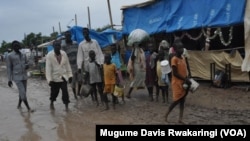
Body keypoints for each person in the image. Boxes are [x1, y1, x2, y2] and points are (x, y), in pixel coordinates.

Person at [165, 40, 192, 124]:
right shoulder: (174, 59)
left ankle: (180, 118)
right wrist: (185, 78)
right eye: (179, 48)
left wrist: (188, 76)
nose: (182, 49)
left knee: (183, 100)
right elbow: (175, 73)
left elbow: (186, 68)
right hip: (177, 83)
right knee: (176, 100)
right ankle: (166, 115)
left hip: (184, 82)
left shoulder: (183, 57)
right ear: (175, 49)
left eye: (182, 47)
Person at [6, 40, 34, 112]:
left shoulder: (23, 54)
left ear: (19, 46)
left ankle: (19, 105)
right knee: (23, 93)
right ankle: (28, 108)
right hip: (16, 77)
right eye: (15, 45)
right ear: (12, 47)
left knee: (23, 92)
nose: (16, 47)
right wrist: (9, 79)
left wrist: (27, 65)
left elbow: (27, 63)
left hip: (24, 76)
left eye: (17, 45)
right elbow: (9, 68)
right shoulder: (10, 56)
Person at [45, 40, 73, 111]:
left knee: (65, 92)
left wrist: (70, 75)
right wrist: (49, 80)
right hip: (54, 78)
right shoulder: (49, 55)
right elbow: (48, 69)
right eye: (56, 45)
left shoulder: (64, 53)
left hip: (63, 76)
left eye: (58, 45)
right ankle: (52, 102)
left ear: (60, 46)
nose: (57, 47)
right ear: (53, 46)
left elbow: (67, 65)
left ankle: (66, 107)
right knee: (54, 93)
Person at [61, 30, 82, 100]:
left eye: (69, 35)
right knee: (72, 82)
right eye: (66, 36)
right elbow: (62, 57)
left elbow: (80, 53)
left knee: (80, 80)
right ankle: (74, 95)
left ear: (70, 36)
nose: (68, 37)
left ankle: (78, 91)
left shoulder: (76, 44)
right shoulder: (63, 46)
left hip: (78, 64)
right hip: (69, 66)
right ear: (65, 37)